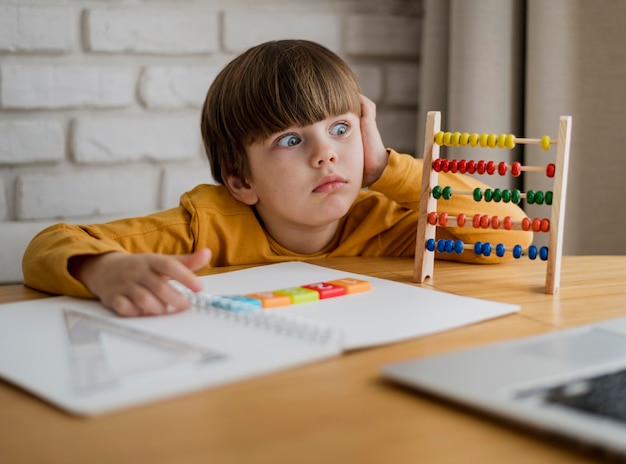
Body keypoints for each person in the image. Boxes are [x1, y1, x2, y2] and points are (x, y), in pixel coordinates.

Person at [22, 39, 532, 317]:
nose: (326, 154)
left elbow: (512, 234)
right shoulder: (205, 225)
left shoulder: (388, 221)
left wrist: (382, 169)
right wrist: (102, 269)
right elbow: (48, 244)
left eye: (340, 129)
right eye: (290, 140)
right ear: (241, 181)